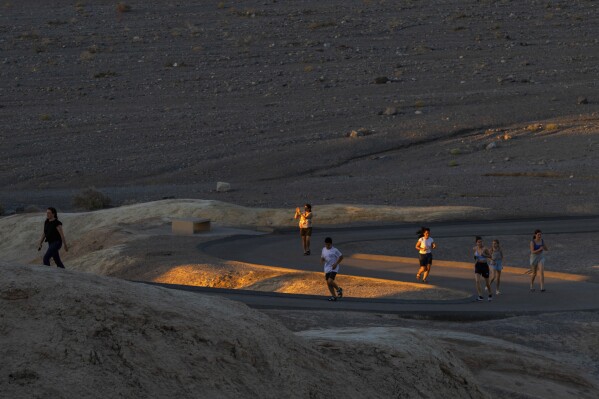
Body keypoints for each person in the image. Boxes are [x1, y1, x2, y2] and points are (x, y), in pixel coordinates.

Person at [321, 237, 343, 301]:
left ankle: (338, 289)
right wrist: (322, 260)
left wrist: (336, 263)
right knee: (328, 283)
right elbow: (322, 257)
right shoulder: (323, 249)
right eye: (326, 244)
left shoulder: (335, 250)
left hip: (334, 267)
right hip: (327, 268)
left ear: (331, 244)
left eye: (328, 244)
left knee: (330, 281)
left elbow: (341, 257)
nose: (327, 246)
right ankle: (333, 296)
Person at [473, 236, 492, 301]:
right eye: (479, 242)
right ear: (476, 243)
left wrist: (485, 255)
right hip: (478, 265)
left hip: (484, 266)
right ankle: (480, 296)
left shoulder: (485, 249)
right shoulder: (474, 248)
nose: (480, 243)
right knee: (477, 281)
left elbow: (490, 256)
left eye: (481, 242)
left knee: (487, 283)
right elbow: (475, 257)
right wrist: (475, 260)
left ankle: (490, 294)